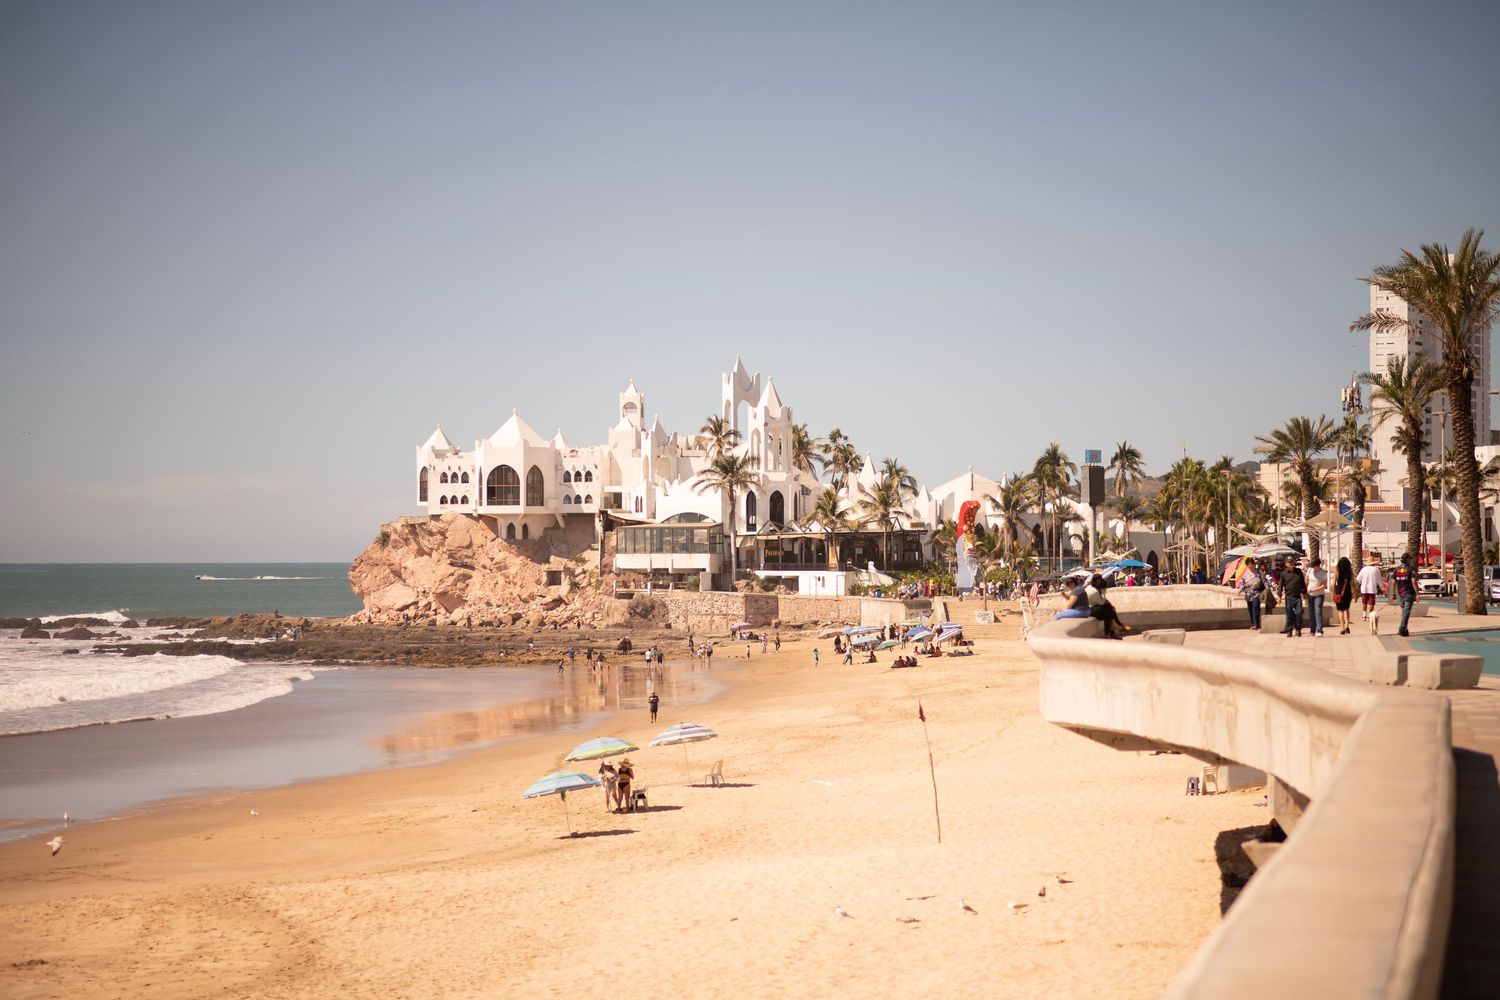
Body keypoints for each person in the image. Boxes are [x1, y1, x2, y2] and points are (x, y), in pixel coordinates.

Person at [1278, 557, 1307, 637]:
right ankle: (1289, 630)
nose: (1291, 564)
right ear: (1286, 564)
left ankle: (1298, 629)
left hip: (1297, 597)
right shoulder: (1283, 573)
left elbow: (1302, 583)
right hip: (1289, 597)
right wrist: (1279, 596)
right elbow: (1280, 585)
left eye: (1292, 562)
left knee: (1299, 613)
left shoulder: (1299, 572)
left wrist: (1304, 592)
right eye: (1289, 562)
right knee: (1289, 615)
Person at [1393, 553, 1419, 637]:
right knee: (1406, 612)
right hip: (1408, 593)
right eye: (1409, 559)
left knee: (1405, 611)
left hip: (1400, 594)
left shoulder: (1396, 570)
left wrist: (1393, 593)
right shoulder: (1410, 570)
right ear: (1407, 560)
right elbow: (1414, 582)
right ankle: (1402, 628)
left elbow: (1393, 582)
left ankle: (1405, 630)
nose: (1410, 560)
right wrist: (1417, 594)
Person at [1305, 557, 1328, 637]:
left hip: (1319, 594)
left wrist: (1314, 590)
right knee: (1311, 612)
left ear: (1318, 566)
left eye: (1314, 566)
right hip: (1310, 594)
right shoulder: (1310, 570)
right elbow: (1306, 579)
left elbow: (1323, 585)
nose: (1313, 568)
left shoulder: (1322, 573)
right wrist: (1306, 587)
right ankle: (1312, 629)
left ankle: (1319, 629)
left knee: (1317, 611)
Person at [1240, 558, 1265, 630]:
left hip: (1257, 593)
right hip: (1248, 593)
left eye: (1251, 564)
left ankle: (1256, 624)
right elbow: (1242, 583)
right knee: (1250, 608)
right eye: (1248, 565)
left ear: (1254, 564)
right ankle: (1253, 623)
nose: (1250, 566)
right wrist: (1240, 589)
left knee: (1256, 607)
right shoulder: (1245, 574)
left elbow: (1264, 581)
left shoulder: (1259, 573)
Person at [1356, 556, 1383, 622]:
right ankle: (1369, 616)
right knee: (1371, 602)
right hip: (1372, 588)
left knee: (1364, 601)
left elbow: (1358, 579)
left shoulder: (1363, 569)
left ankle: (1364, 615)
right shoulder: (1376, 569)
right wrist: (1382, 588)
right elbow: (1379, 580)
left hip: (1364, 588)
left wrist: (1361, 582)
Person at [1333, 557, 1355, 635]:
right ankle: (1347, 626)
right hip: (1347, 592)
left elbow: (1333, 583)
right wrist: (1355, 593)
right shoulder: (1350, 572)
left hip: (1339, 592)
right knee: (1347, 609)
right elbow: (1352, 584)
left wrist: (1333, 592)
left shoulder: (1337, 572)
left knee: (1340, 610)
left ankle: (1342, 628)